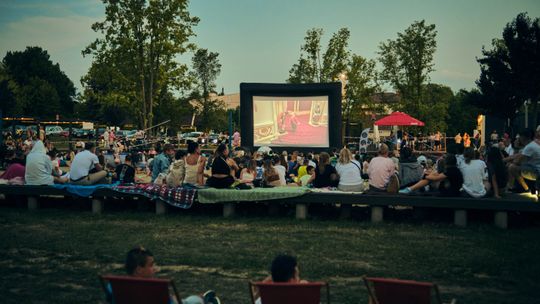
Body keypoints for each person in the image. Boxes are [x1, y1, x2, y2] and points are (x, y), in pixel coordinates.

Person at [105, 247, 220, 304]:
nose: (154, 268)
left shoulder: (113, 286)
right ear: (139, 269)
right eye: (151, 265)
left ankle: (203, 298)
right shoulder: (156, 289)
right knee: (192, 301)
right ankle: (204, 299)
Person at [399, 154, 463, 197]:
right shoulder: (453, 169)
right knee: (430, 177)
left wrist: (425, 176)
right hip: (451, 190)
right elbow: (438, 175)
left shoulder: (451, 171)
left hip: (450, 192)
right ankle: (409, 189)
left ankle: (409, 189)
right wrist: (427, 175)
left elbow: (436, 178)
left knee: (429, 179)